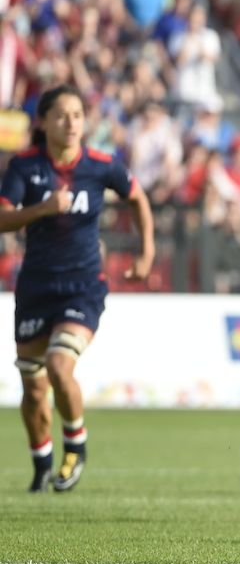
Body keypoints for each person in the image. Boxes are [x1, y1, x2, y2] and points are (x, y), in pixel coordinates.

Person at [0, 85, 155, 492]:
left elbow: (138, 198)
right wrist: (42, 209)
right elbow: (3, 218)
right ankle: (41, 463)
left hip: (83, 286)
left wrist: (146, 252)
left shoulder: (102, 164)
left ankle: (76, 444)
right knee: (34, 391)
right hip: (35, 287)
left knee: (58, 365)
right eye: (61, 115)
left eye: (77, 116)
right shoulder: (24, 166)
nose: (71, 123)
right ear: (44, 122)